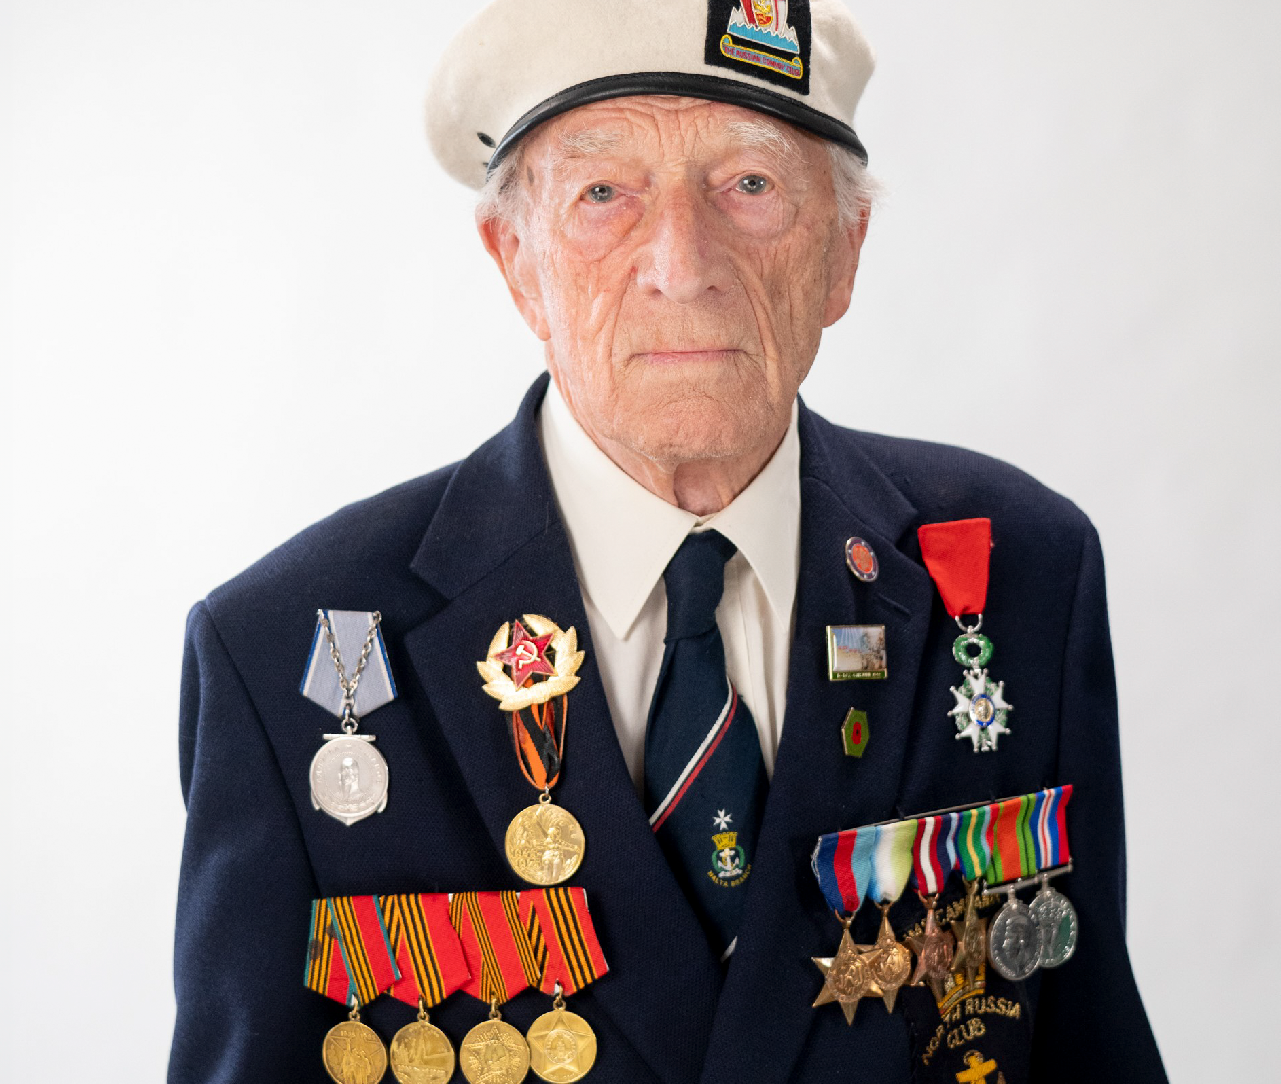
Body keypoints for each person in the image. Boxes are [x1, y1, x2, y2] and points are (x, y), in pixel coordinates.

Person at [170, 1, 1167, 1081]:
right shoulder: (290, 645)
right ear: (516, 261)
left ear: (845, 251)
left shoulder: (1018, 568)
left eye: (750, 185)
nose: (683, 264)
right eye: (604, 194)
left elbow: (1086, 1044)